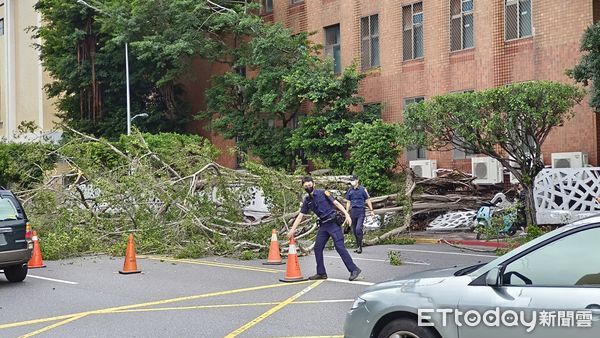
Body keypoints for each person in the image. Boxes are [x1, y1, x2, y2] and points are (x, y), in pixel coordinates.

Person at [287, 176, 362, 281]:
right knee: (318, 248)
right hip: (323, 226)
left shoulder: (323, 193)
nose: (308, 187)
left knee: (339, 247)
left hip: (333, 224)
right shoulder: (307, 200)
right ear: (303, 187)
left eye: (309, 185)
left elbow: (336, 203)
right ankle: (321, 273)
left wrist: (347, 214)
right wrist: (292, 229)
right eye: (306, 186)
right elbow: (300, 215)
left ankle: (354, 270)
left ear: (313, 184)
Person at [345, 175, 375, 254]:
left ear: (357, 180)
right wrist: (346, 213)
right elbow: (348, 202)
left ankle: (360, 247)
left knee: (358, 228)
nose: (352, 182)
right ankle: (358, 245)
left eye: (353, 180)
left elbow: (368, 200)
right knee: (354, 230)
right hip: (353, 212)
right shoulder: (350, 191)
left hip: (361, 211)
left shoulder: (362, 189)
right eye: (351, 180)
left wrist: (371, 210)